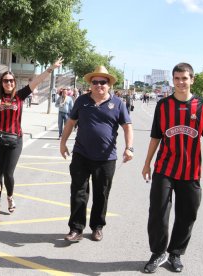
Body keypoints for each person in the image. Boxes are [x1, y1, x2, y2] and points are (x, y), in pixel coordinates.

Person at [141, 63, 203, 273]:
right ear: (172, 80)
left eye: (184, 78)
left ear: (192, 79)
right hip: (164, 168)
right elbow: (155, 137)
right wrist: (147, 163)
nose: (180, 82)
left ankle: (175, 253)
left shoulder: (202, 107)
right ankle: (158, 252)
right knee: (158, 212)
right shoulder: (163, 105)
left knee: (188, 214)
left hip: (190, 171)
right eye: (177, 78)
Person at [60, 65, 134, 242]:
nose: (99, 85)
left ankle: (97, 227)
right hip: (81, 154)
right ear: (90, 84)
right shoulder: (82, 101)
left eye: (103, 82)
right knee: (78, 192)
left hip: (106, 158)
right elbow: (70, 124)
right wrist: (63, 143)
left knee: (101, 194)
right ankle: (76, 228)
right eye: (95, 82)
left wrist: (129, 147)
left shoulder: (118, 104)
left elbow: (127, 127)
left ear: (109, 85)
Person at [0, 57, 63, 217]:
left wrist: (51, 68)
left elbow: (36, 81)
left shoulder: (20, 96)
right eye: (5, 81)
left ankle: (9, 197)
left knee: (8, 174)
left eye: (11, 81)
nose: (8, 83)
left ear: (15, 82)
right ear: (1, 83)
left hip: (16, 140)